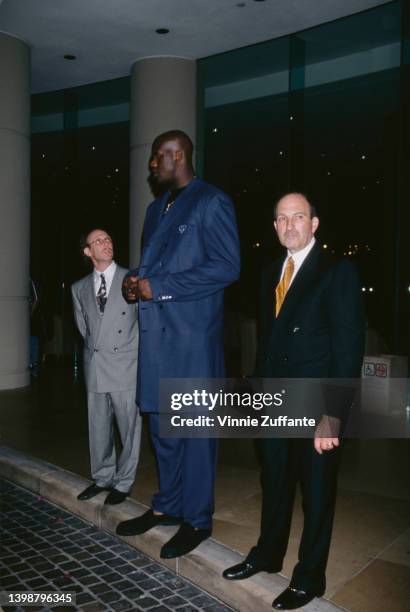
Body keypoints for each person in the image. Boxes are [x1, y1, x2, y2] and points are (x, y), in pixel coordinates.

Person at [223, 193, 365, 610]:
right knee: (275, 483)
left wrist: (334, 414)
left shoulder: (337, 271)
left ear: (314, 224)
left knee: (317, 493)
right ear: (275, 226)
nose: (289, 225)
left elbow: (348, 346)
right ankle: (268, 554)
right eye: (281, 218)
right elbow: (268, 345)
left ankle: (310, 577)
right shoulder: (270, 272)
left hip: (316, 404)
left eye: (298, 217)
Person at [116, 130, 240, 558]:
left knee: (194, 435)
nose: (152, 165)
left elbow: (226, 267)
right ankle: (168, 505)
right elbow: (155, 265)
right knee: (163, 430)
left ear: (177, 154)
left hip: (191, 342)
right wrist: (135, 282)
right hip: (156, 341)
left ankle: (196, 519)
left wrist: (159, 286)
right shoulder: (155, 209)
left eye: (156, 158)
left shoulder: (211, 201)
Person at [72, 229, 141, 505]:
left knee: (129, 429)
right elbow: (84, 328)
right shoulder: (79, 288)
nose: (106, 243)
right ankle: (102, 477)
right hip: (96, 365)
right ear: (88, 252)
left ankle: (124, 482)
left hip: (126, 364)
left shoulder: (132, 278)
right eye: (98, 241)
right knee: (98, 426)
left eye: (109, 239)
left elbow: (141, 322)